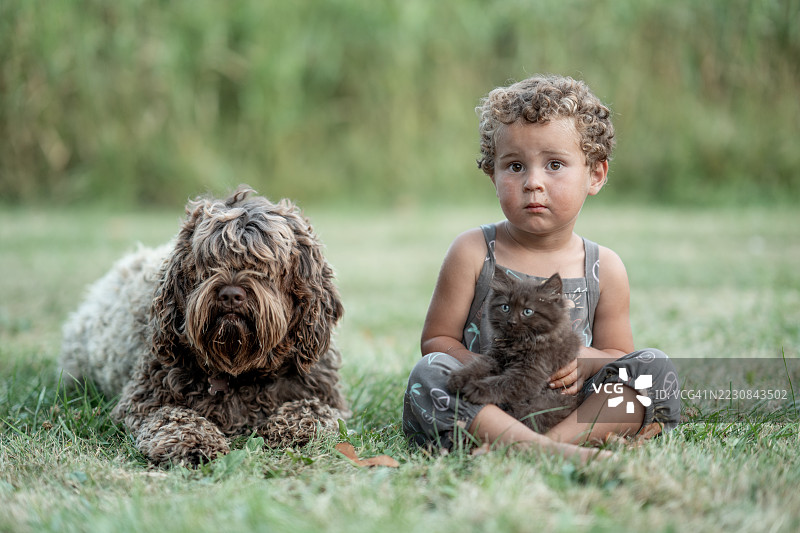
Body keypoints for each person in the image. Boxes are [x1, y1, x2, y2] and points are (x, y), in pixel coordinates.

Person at [402, 74, 680, 463]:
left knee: (653, 367)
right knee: (430, 373)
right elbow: (437, 342)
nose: (533, 182)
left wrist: (584, 362)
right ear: (492, 173)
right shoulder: (473, 252)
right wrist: (488, 369)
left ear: (595, 174)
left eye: (554, 164)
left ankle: (553, 444)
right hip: (492, 404)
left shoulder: (604, 267)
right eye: (514, 166)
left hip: (567, 406)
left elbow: (619, 354)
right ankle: (546, 451)